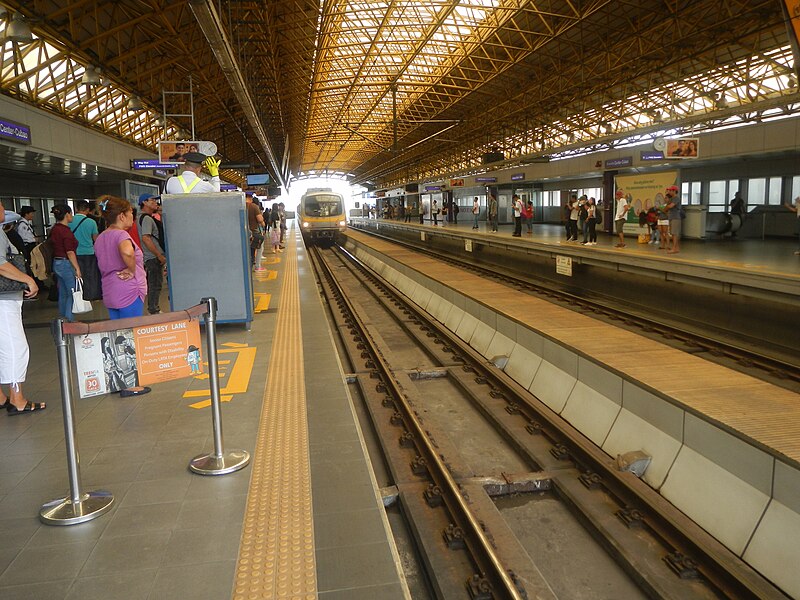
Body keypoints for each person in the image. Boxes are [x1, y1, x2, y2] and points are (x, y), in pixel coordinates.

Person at [94, 196, 150, 397]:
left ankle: (117, 381)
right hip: (127, 289)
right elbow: (127, 252)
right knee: (130, 336)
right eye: (130, 214)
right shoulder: (121, 236)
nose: (132, 218)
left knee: (115, 335)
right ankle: (131, 384)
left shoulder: (101, 237)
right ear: (121, 215)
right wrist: (131, 268)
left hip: (109, 288)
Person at [0, 202, 43, 415]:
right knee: (15, 347)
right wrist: (28, 279)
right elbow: (1, 264)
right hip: (3, 301)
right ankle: (17, 399)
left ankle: (0, 397)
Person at [50, 204, 82, 321]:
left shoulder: (54, 229)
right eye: (71, 213)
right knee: (72, 292)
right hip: (66, 263)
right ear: (67, 214)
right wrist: (77, 268)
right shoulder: (66, 232)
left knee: (63, 292)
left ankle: (63, 316)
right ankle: (69, 318)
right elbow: (70, 252)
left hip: (56, 263)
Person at [137, 193, 166, 313]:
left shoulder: (147, 217)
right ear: (144, 202)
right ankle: (153, 309)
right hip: (153, 257)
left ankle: (154, 308)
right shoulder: (147, 219)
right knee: (155, 284)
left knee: (156, 282)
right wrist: (159, 255)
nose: (156, 202)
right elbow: (146, 238)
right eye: (152, 200)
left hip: (153, 256)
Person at [69, 200, 102, 301]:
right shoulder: (91, 222)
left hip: (74, 253)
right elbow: (96, 238)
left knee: (77, 275)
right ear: (88, 210)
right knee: (90, 275)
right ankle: (90, 296)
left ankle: (77, 295)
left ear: (76, 209)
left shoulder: (70, 221)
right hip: (89, 252)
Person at [246, 192, 266, 270]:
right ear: (250, 198)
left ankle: (249, 266)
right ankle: (257, 266)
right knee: (259, 248)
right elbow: (260, 219)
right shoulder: (254, 206)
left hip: (244, 232)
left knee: (249, 251)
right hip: (253, 232)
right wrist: (263, 223)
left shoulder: (241, 206)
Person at [664, 185, 682, 254]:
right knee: (672, 233)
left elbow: (670, 206)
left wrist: (666, 208)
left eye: (671, 190)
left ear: (674, 191)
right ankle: (676, 248)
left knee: (674, 233)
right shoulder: (671, 198)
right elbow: (666, 205)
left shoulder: (676, 198)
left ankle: (674, 248)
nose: (669, 192)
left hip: (675, 217)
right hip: (671, 217)